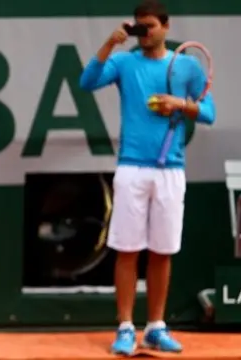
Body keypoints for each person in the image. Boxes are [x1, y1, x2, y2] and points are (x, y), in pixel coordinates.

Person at [79, 0, 215, 356]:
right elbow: (87, 81)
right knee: (127, 251)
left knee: (162, 252)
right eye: (139, 27)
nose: (144, 33)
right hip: (132, 168)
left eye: (149, 26)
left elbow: (209, 112)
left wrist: (180, 104)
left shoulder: (186, 66)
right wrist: (110, 43)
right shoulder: (124, 62)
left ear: (166, 27)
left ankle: (155, 327)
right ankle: (125, 327)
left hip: (171, 170)